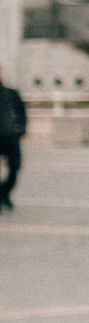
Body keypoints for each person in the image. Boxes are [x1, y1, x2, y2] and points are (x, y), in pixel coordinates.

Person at [0, 66, 24, 213]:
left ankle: (3, 193)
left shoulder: (11, 93)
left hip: (10, 137)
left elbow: (22, 112)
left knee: (15, 166)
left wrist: (21, 130)